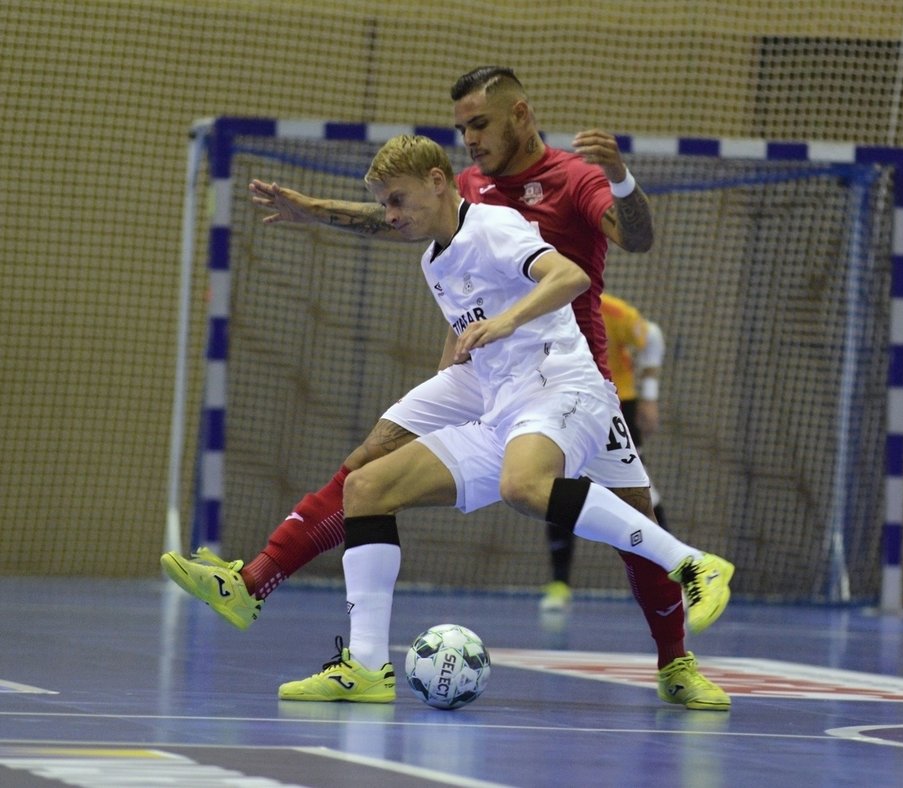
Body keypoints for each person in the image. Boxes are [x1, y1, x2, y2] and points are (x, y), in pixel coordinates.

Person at [161, 66, 730, 711]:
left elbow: (635, 241)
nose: (469, 140)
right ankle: (257, 584)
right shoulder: (461, 192)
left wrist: (622, 178)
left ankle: (676, 659)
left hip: (563, 368)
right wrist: (313, 210)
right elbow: (401, 218)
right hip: (481, 367)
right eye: (460, 129)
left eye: (479, 125)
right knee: (367, 471)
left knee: (628, 518)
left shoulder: (570, 180)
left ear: (521, 115)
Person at [540, 292, 669, 612]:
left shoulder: (608, 309)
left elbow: (651, 336)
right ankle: (559, 583)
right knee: (557, 486)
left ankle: (673, 575)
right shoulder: (541, 304)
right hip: (564, 403)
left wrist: (648, 397)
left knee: (639, 492)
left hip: (615, 404)